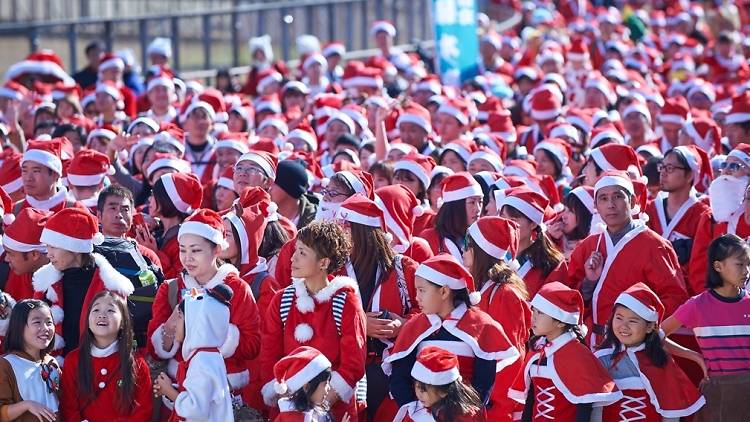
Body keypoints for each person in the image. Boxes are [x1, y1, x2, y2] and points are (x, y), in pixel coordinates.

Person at [147, 209, 261, 410]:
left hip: (224, 393)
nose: (187, 258)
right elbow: (155, 351)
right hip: (177, 388)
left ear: (217, 250)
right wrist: (172, 325)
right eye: (183, 249)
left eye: (196, 250)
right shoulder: (172, 288)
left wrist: (212, 335)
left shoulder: (237, 289)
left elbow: (252, 344)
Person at [383, 254, 519, 418]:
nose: (416, 297)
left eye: (422, 290)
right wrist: (418, 413)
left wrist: (463, 415)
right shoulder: (415, 326)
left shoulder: (481, 326)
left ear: (444, 291)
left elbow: (483, 384)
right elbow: (400, 378)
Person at [568, 171, 688, 347]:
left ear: (632, 201)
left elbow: (675, 298)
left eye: (617, 196)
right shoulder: (588, 245)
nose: (610, 205)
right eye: (603, 199)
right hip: (593, 342)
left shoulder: (655, 245)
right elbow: (571, 298)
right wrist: (589, 282)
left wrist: (640, 329)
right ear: (596, 205)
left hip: (637, 345)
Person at [260, 221, 366, 420]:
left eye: (302, 253)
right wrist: (286, 398)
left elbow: (353, 363)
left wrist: (321, 407)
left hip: (334, 407)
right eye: (295, 251)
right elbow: (268, 355)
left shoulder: (345, 301)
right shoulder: (282, 300)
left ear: (323, 263)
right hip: (288, 406)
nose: (293, 258)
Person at [335, 194, 420, 419]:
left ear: (363, 233)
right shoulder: (331, 268)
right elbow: (316, 314)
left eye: (345, 227)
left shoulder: (404, 268)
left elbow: (430, 312)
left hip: (393, 372)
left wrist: (403, 324)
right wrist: (360, 324)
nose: (339, 233)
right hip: (344, 369)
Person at [661, 234, 750, 421]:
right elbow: (656, 335)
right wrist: (694, 356)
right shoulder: (697, 305)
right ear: (718, 266)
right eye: (740, 264)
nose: (746, 271)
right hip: (719, 395)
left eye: (748, 264)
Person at [509, 282, 622, 420]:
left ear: (561, 322)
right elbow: (531, 398)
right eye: (534, 310)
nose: (533, 317)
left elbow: (584, 406)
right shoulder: (538, 350)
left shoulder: (577, 355)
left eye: (541, 313)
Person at [32, 208, 135, 358]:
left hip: (95, 370)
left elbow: (120, 337)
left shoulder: (110, 287)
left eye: (53, 247)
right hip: (54, 372)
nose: (49, 254)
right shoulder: (45, 283)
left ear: (74, 247)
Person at [596, 283, 705, 421]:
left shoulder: (660, 360)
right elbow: (595, 408)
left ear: (649, 327)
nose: (624, 326)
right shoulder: (602, 359)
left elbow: (672, 413)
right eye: (619, 318)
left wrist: (694, 356)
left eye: (632, 321)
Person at [463, 216, 531, 421]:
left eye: (467, 245)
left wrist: (494, 402)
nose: (463, 251)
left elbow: (512, 355)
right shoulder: (484, 287)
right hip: (481, 394)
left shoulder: (505, 293)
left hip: (496, 402)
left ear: (480, 251)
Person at [60, 291, 152, 421]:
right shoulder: (73, 360)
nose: (102, 315)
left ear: (123, 322)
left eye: (110, 310)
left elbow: (143, 410)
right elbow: (68, 406)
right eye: (96, 309)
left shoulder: (138, 363)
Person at [153, 284, 235, 422]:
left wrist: (169, 391)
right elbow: (204, 398)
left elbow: (196, 410)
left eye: (179, 317)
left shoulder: (202, 360)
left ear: (196, 322)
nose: (173, 325)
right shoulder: (209, 355)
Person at [645, 146, 712, 293]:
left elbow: (699, 266)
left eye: (670, 168)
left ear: (689, 175)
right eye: (662, 167)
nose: (663, 173)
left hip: (685, 293)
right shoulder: (650, 209)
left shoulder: (703, 214)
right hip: (649, 290)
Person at [498, 188, 568, 298]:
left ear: (533, 224)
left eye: (513, 220)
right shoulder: (492, 254)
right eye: (502, 218)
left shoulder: (553, 265)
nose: (505, 225)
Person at [0, 299, 60, 422]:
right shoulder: (6, 364)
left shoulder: (51, 362)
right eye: (37, 322)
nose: (45, 328)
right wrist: (26, 405)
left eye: (49, 322)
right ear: (19, 327)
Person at [135, 172, 202, 279]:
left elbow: (178, 281)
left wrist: (154, 254)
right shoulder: (155, 230)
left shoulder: (184, 240)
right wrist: (136, 221)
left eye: (153, 194)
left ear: (166, 199)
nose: (149, 199)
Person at [393, 346, 483, 422]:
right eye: (417, 387)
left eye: (424, 390)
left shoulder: (466, 416)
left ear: (444, 391)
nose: (419, 394)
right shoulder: (416, 412)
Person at [420, 173, 483, 261]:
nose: (477, 209)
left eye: (480, 202)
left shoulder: (480, 237)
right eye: (472, 202)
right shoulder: (429, 237)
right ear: (456, 207)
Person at [271, 346, 339, 422]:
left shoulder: (319, 412)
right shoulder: (292, 418)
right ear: (306, 387)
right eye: (325, 384)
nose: (329, 388)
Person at [15, 139, 82, 214]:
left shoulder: (75, 211)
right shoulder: (15, 211)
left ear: (55, 174)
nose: (28, 178)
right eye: (24, 171)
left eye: (36, 171)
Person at [2, 208, 52, 303]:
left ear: (34, 254)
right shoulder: (6, 272)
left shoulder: (64, 283)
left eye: (10, 254)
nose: (6, 259)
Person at [268, 160, 318, 230]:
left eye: (274, 183)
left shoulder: (316, 222)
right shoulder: (263, 215)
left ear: (290, 189)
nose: (268, 187)